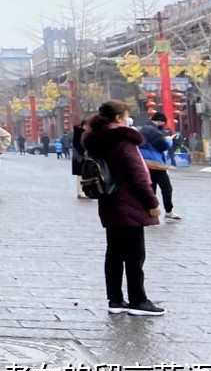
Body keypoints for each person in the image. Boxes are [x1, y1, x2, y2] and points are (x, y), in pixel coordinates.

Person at [83, 100, 164, 316]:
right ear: (119, 118)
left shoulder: (97, 140)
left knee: (114, 252)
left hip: (109, 200)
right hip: (129, 201)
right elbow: (137, 176)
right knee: (135, 254)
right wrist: (152, 202)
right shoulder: (124, 140)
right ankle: (139, 300)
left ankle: (115, 299)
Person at [140, 112, 180, 221]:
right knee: (166, 188)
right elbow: (162, 145)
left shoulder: (144, 129)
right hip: (155, 164)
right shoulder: (153, 130)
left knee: (151, 188)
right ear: (161, 121)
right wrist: (170, 141)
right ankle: (169, 211)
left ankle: (149, 210)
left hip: (146, 163)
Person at [72, 117, 89, 200]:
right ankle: (81, 192)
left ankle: (83, 192)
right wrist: (84, 152)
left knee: (83, 175)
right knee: (81, 175)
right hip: (80, 157)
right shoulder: (79, 133)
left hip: (81, 157)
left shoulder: (81, 132)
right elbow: (77, 144)